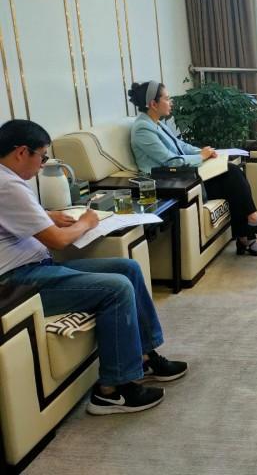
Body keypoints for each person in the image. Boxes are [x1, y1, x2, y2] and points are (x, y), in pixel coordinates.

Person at [0, 119, 187, 415]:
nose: (42, 166)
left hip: (34, 270)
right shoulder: (8, 185)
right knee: (116, 288)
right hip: (17, 284)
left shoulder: (7, 181)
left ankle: (143, 357)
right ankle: (112, 390)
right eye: (42, 157)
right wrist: (87, 222)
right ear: (22, 152)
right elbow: (59, 241)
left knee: (127, 268)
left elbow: (14, 216)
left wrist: (46, 214)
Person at [129, 81, 257, 257]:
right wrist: (201, 157)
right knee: (233, 179)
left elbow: (181, 146)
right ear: (153, 104)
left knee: (233, 173)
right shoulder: (143, 128)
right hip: (168, 183)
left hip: (181, 175)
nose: (171, 102)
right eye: (167, 99)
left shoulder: (157, 123)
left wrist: (204, 151)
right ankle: (249, 232)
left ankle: (248, 232)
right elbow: (170, 161)